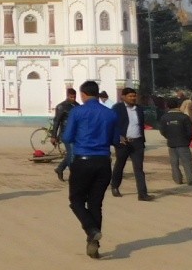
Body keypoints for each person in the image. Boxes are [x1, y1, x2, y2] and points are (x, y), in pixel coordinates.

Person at [62, 80, 122, 259]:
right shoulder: (110, 114)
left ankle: (91, 229)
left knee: (76, 200)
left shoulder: (77, 111)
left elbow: (67, 136)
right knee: (96, 203)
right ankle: (93, 243)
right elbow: (115, 140)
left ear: (83, 94)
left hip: (83, 160)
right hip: (103, 161)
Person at [111, 87, 150, 200]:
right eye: (130, 96)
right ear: (123, 97)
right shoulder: (117, 108)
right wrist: (118, 136)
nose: (133, 98)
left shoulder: (139, 108)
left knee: (139, 168)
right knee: (120, 165)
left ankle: (142, 194)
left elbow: (140, 124)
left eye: (134, 96)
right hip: (123, 143)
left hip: (137, 142)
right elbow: (111, 124)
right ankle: (115, 186)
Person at [158, 101, 192, 186]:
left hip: (171, 143)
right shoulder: (184, 117)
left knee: (174, 163)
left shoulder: (164, 117)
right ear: (178, 106)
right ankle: (191, 180)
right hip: (183, 143)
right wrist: (187, 140)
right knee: (186, 162)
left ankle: (177, 180)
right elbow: (190, 131)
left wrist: (169, 137)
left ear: (167, 106)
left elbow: (162, 131)